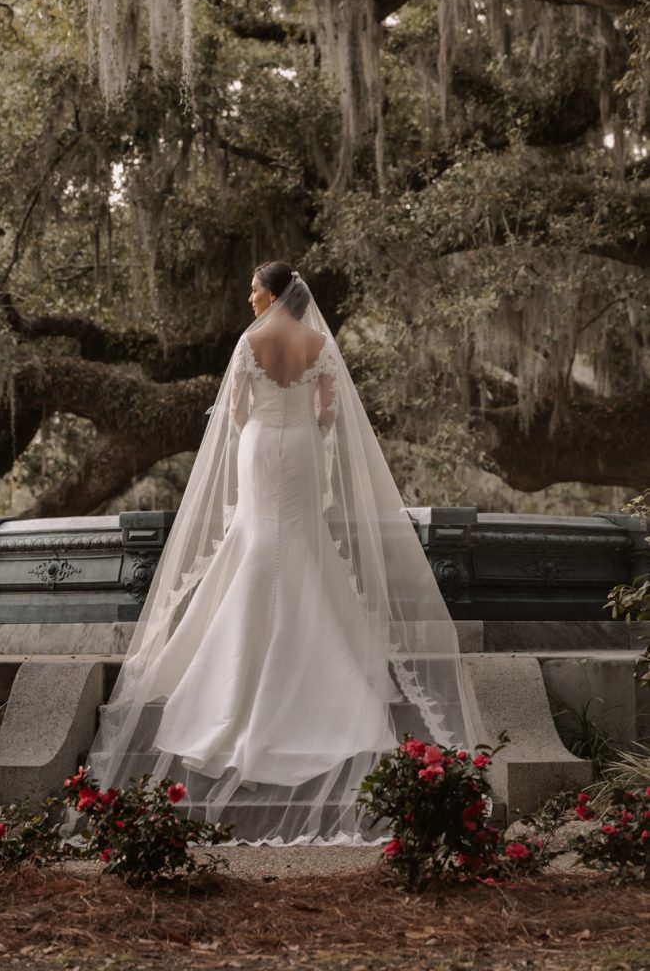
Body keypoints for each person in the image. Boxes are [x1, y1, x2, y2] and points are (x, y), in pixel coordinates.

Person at [86, 263, 473, 845]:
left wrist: (260, 421)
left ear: (272, 292)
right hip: (300, 450)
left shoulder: (251, 341)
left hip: (261, 445)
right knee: (299, 539)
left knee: (257, 535)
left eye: (253, 289)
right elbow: (328, 417)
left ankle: (234, 671)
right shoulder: (318, 342)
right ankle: (319, 660)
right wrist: (306, 424)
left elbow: (236, 412)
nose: (248, 297)